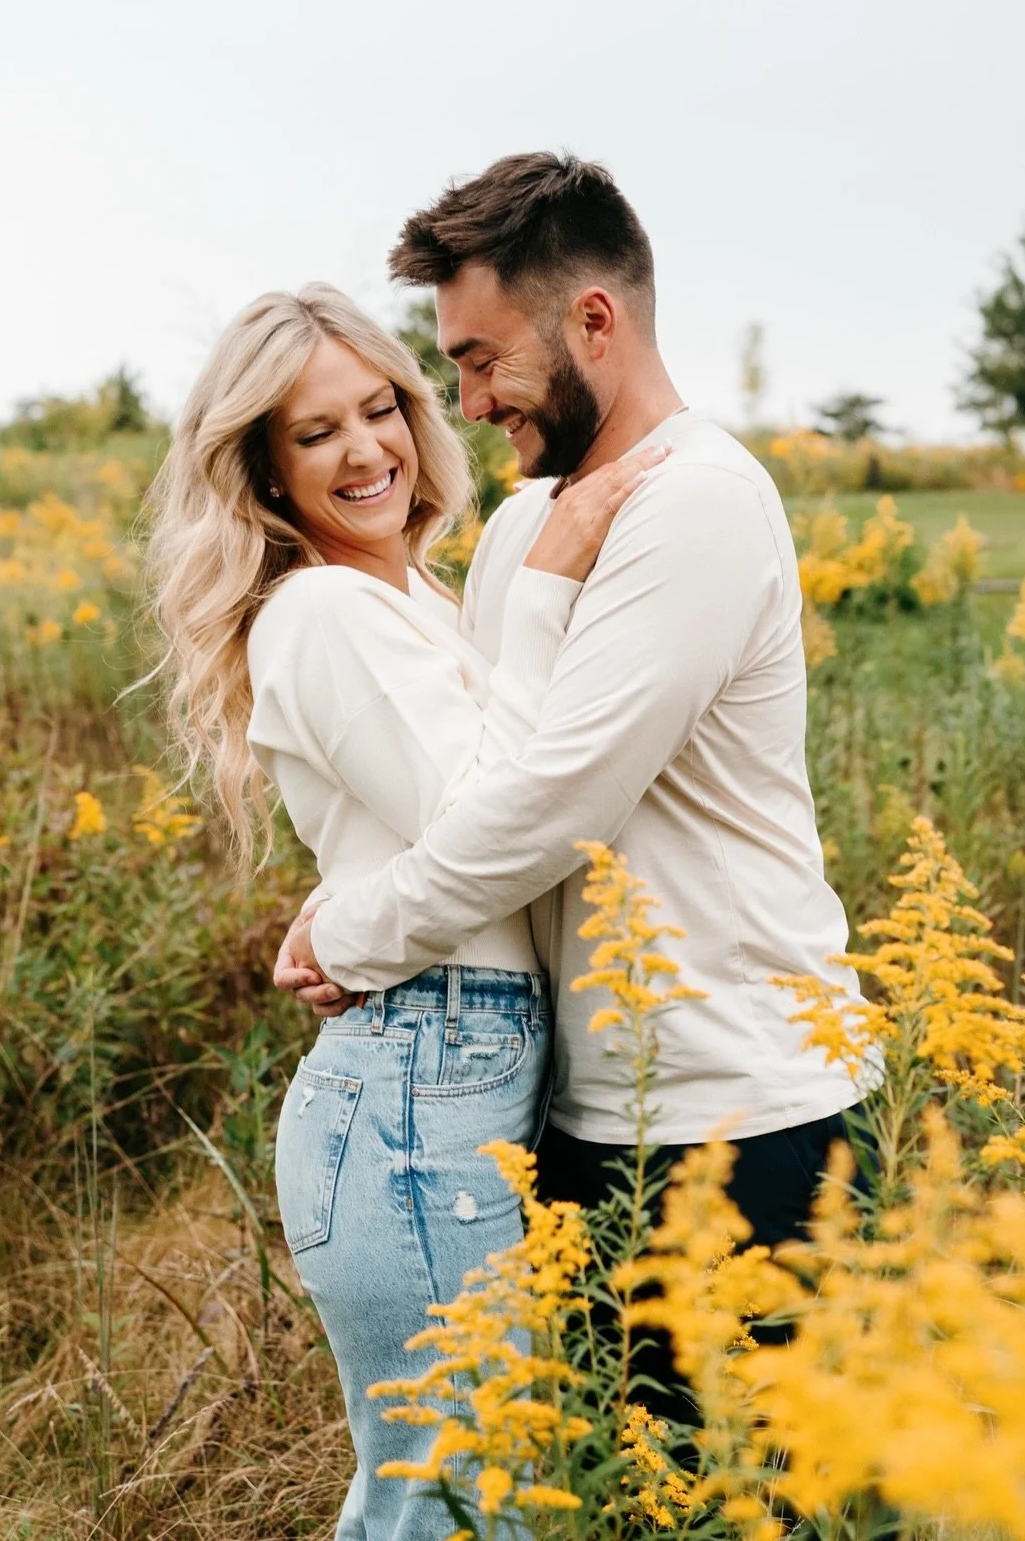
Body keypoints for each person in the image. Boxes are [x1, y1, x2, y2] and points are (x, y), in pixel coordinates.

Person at [142, 283, 666, 1541]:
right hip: (417, 1095)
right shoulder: (324, 611)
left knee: (429, 1514)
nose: (367, 449)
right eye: (316, 433)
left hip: (442, 1075)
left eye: (382, 407)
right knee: (477, 1519)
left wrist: (355, 915)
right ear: (262, 464)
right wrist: (548, 580)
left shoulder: (409, 593)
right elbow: (496, 815)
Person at [276, 152, 874, 1265]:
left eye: (483, 359)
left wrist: (352, 933)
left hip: (738, 1118)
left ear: (594, 320)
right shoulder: (525, 528)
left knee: (746, 1451)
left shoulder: (695, 501)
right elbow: (474, 773)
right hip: (582, 1118)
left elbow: (556, 806)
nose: (468, 402)